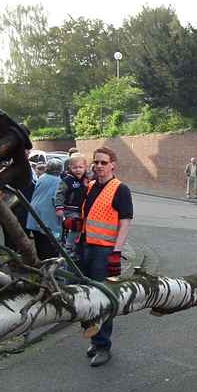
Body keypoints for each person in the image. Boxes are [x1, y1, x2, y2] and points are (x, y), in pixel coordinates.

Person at [78, 147, 133, 367]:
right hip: (86, 247)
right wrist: (77, 226)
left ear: (113, 165)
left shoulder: (121, 189)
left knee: (103, 299)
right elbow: (90, 216)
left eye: (103, 162)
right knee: (88, 295)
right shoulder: (91, 186)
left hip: (104, 251)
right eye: (96, 162)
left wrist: (116, 252)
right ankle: (95, 339)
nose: (99, 166)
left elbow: (125, 221)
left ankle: (103, 346)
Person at [26, 159, 63, 261]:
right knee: (50, 247)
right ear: (60, 170)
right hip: (48, 218)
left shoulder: (42, 178)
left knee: (39, 244)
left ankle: (40, 265)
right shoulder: (59, 182)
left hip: (34, 214)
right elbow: (57, 200)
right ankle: (49, 268)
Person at [55, 153, 88, 257]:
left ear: (85, 167)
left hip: (82, 209)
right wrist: (59, 208)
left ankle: (76, 247)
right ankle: (69, 246)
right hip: (71, 209)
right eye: (75, 167)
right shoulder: (67, 180)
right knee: (76, 225)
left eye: (80, 167)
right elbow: (59, 194)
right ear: (70, 168)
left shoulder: (87, 180)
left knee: (83, 228)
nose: (78, 170)